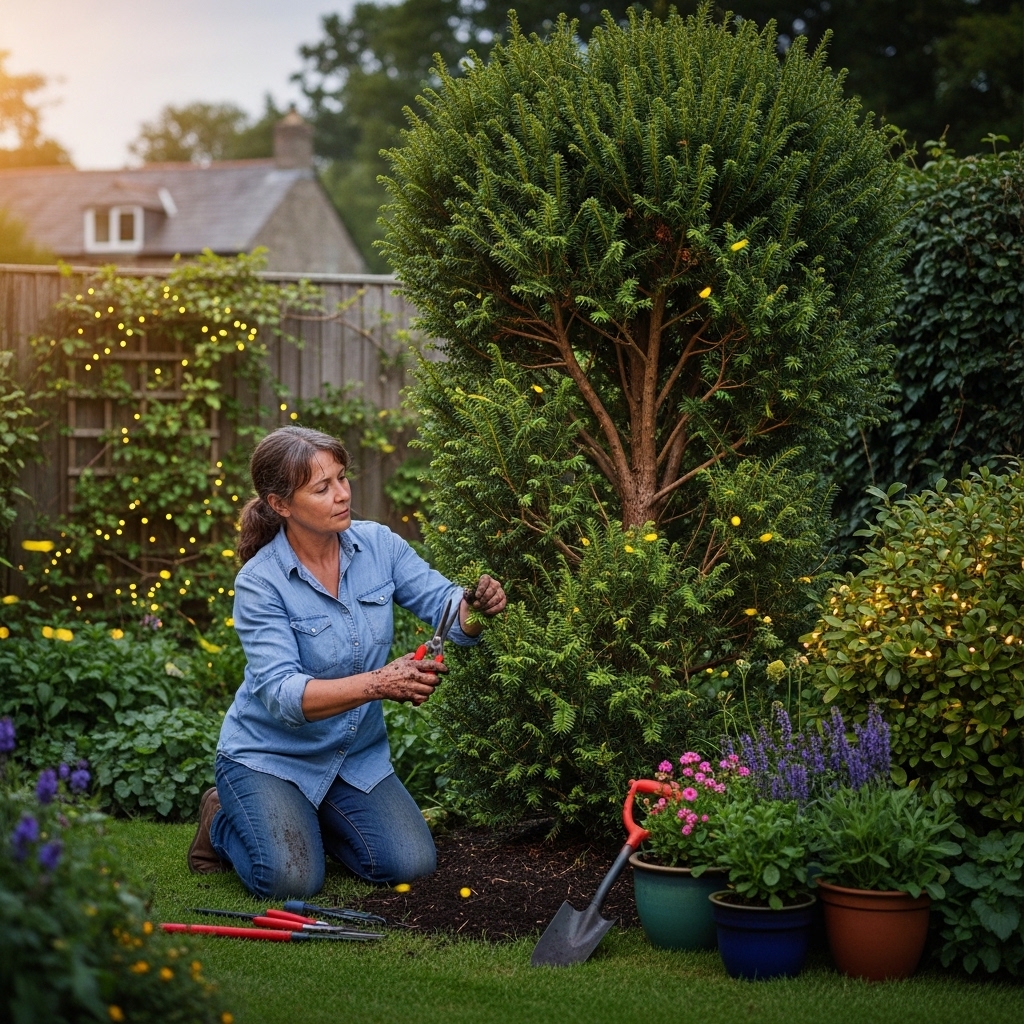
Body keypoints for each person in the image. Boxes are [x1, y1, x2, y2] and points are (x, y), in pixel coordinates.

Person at [187, 426, 506, 898]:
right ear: (280, 504)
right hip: (271, 757)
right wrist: (380, 682)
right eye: (322, 487)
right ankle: (221, 820)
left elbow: (449, 613)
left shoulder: (380, 546)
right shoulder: (261, 583)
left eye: (342, 478)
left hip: (352, 758)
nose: (342, 495)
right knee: (290, 881)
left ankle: (302, 820)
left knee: (410, 864)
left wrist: (475, 607)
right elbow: (282, 695)